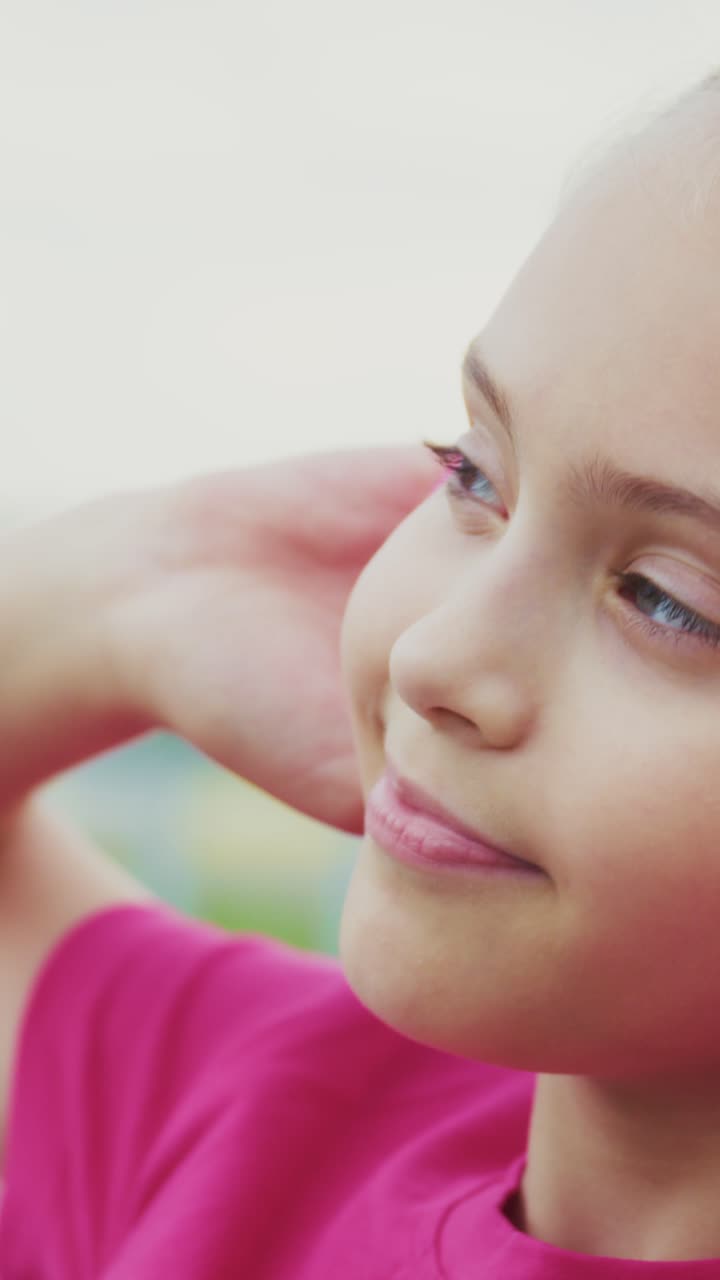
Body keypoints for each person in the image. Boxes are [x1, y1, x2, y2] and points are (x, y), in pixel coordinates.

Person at [3, 68, 720, 1277]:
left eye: (669, 599)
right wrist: (142, 583)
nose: (435, 648)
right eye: (474, 472)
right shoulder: (272, 1129)